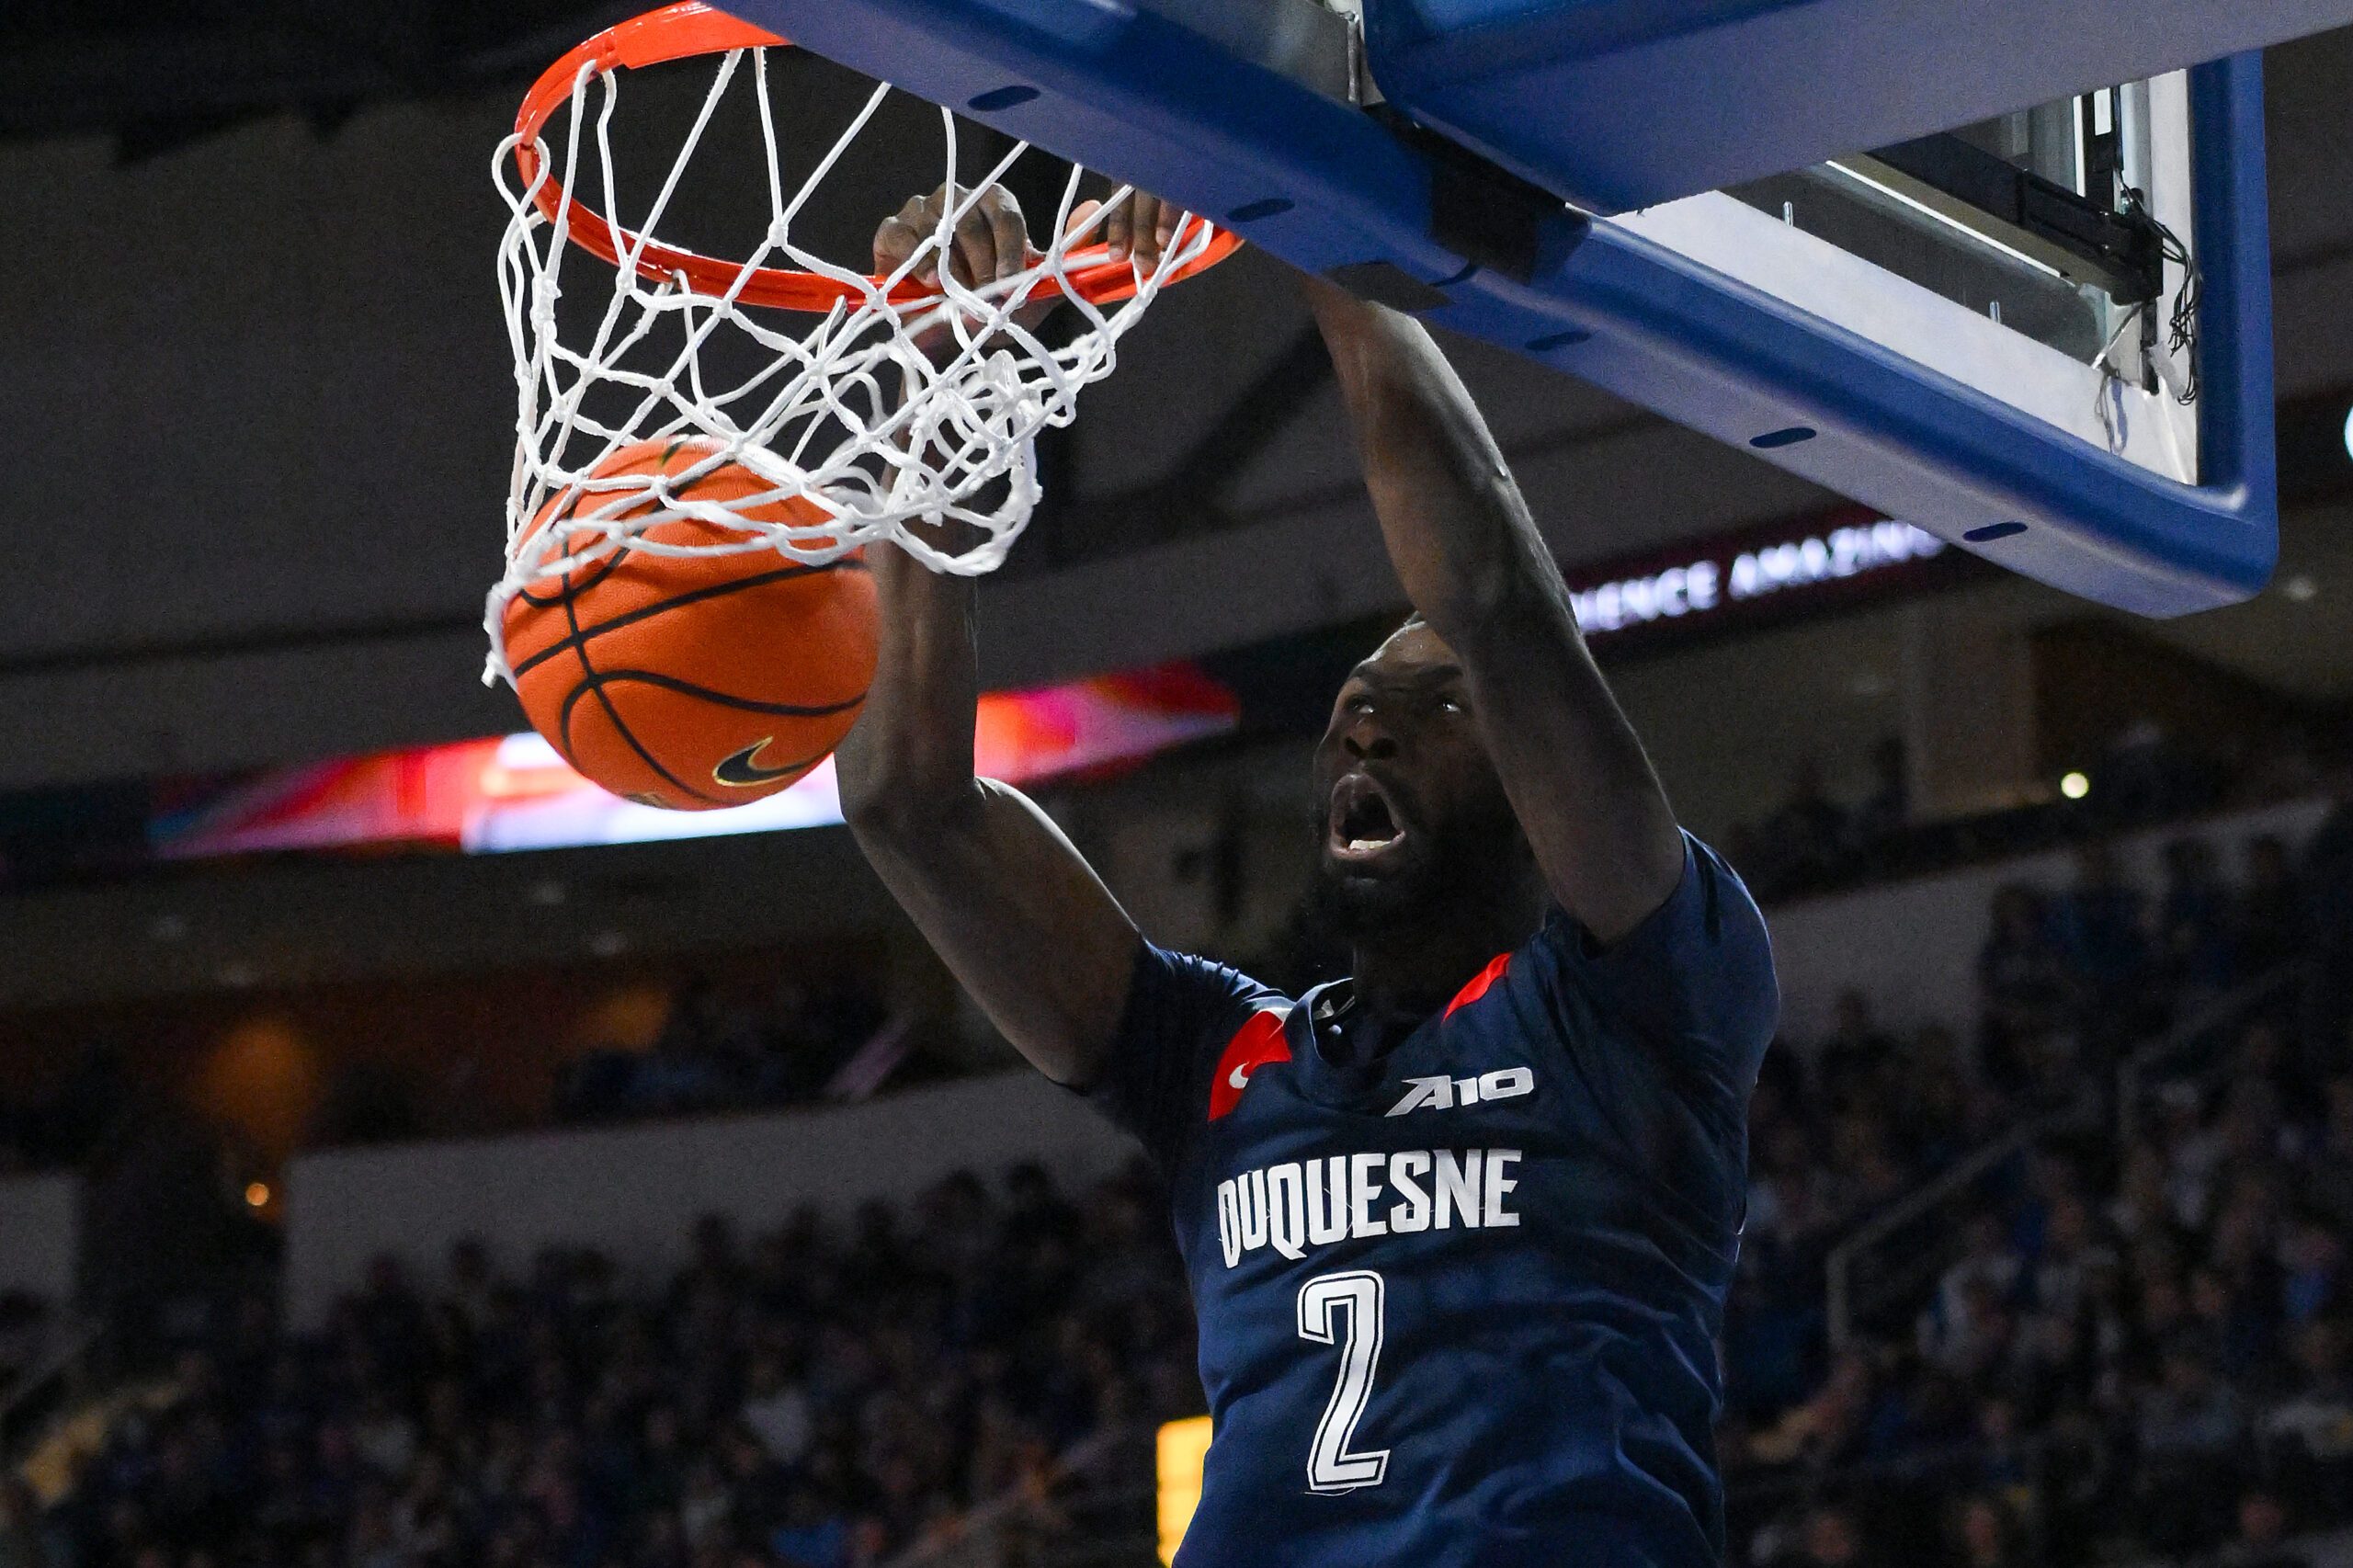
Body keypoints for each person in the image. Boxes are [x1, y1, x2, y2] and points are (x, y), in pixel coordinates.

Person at [837, 187, 1779, 1567]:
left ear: (1529, 765)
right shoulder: (1212, 1053)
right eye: (1348, 705)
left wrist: (1299, 187)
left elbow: (1499, 601)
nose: (1367, 721)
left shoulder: (1643, 994)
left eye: (1432, 704)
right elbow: (904, 802)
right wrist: (938, 380)